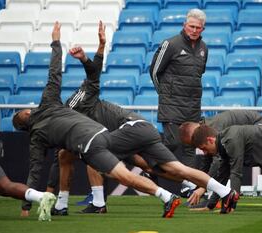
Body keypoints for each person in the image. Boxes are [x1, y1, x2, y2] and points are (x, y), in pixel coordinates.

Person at [51, 20, 239, 215]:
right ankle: (225, 191)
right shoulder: (71, 114)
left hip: (131, 128)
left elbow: (93, 73)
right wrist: (98, 47)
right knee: (173, 168)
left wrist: (97, 48)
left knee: (93, 151)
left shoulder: (73, 106)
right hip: (141, 128)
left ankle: (108, 202)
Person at [12, 22, 182, 218]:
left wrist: (26, 206)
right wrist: (56, 42)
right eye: (26, 109)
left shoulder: (38, 136)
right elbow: (55, 71)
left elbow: (35, 171)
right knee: (65, 156)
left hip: (91, 142)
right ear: (25, 115)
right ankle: (62, 205)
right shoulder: (50, 103)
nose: (29, 108)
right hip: (101, 133)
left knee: (124, 175)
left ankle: (167, 196)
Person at [149, 8, 208, 171]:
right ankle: (150, 167)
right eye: (191, 26)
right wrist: (165, 95)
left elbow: (198, 74)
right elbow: (154, 71)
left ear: (203, 28)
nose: (194, 30)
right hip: (172, 105)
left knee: (190, 147)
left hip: (193, 107)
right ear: (184, 25)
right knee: (173, 142)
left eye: (198, 27)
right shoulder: (171, 44)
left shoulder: (204, 48)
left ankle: (187, 186)